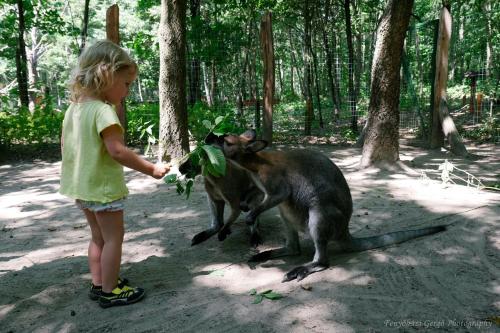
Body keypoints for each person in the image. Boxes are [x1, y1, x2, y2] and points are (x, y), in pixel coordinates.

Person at [60, 40, 169, 308]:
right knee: (113, 239)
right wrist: (152, 169)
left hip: (82, 187)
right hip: (104, 189)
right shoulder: (103, 111)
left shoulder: (74, 109)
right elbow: (117, 151)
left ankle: (99, 283)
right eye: (126, 83)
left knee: (98, 237)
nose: (127, 91)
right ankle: (111, 291)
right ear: (106, 75)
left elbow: (65, 147)